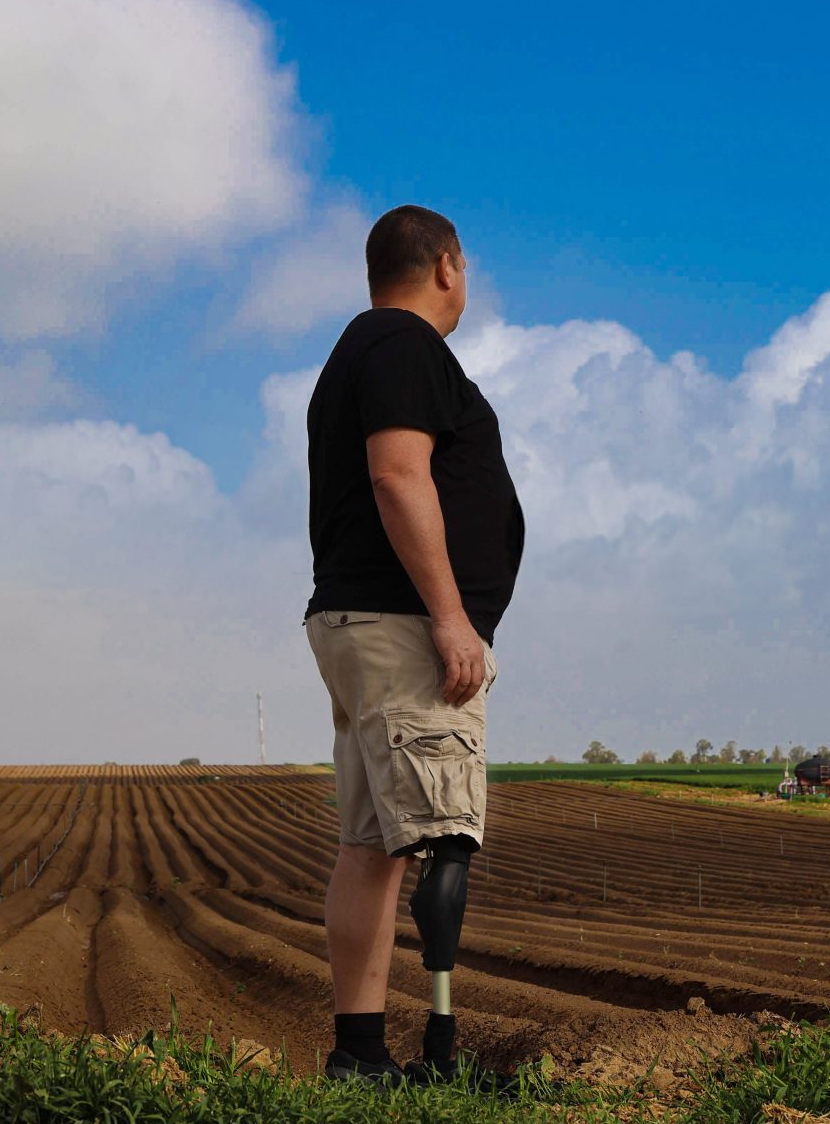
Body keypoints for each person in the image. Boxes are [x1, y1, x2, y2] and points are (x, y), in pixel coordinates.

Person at [302, 205, 524, 1085]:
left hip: (358, 622)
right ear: (446, 265)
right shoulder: (403, 346)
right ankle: (441, 1054)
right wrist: (449, 614)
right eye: (465, 271)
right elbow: (399, 474)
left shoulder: (355, 350)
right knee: (442, 833)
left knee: (371, 844)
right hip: (402, 629)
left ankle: (359, 1055)